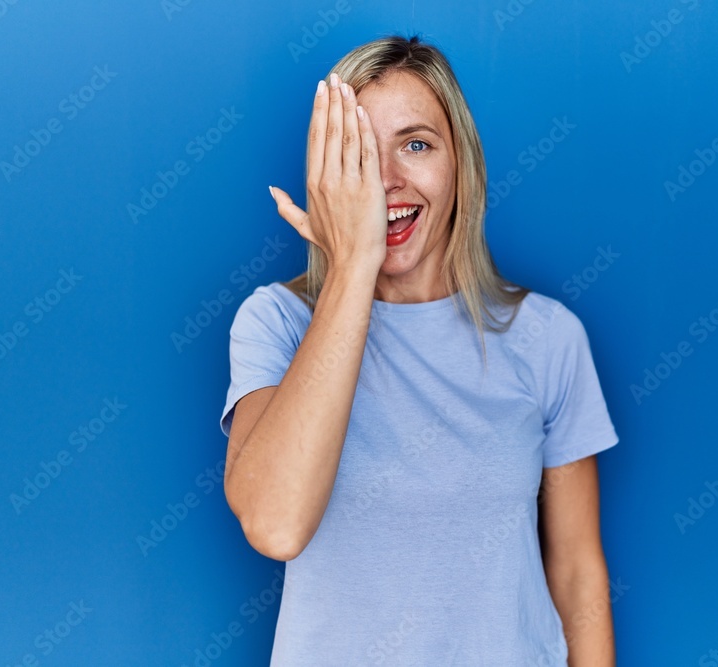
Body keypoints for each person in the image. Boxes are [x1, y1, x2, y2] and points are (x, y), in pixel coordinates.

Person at [219, 33, 619, 666]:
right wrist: (353, 265)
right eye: (357, 154)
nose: (386, 181)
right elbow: (276, 523)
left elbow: (576, 574)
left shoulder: (548, 338)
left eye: (416, 144)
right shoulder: (278, 322)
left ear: (461, 162)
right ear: (327, 178)